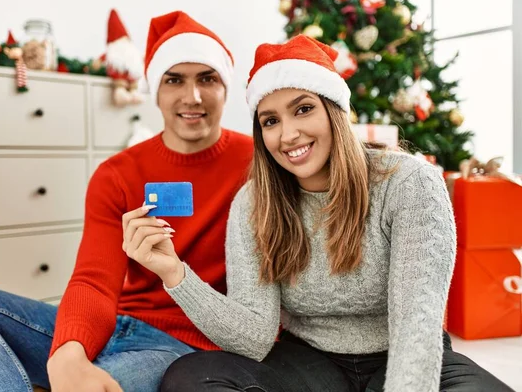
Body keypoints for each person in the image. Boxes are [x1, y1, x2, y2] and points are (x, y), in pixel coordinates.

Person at [123, 35, 515, 392]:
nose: (288, 134)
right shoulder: (254, 201)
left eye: (304, 109)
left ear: (335, 112)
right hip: (309, 364)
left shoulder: (410, 183)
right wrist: (175, 273)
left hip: (404, 355)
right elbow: (254, 337)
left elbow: (417, 327)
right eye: (271, 121)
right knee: (190, 379)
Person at [0, 11, 253, 392]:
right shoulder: (118, 172)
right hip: (112, 322)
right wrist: (70, 349)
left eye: (207, 79)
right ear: (155, 89)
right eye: (174, 79)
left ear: (226, 87)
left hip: (178, 348)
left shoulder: (256, 165)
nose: (191, 97)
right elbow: (94, 278)